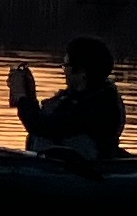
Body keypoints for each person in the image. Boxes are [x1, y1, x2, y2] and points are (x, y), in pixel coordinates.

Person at [8, 37, 129, 166]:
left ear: (82, 73)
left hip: (85, 170)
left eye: (67, 66)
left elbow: (43, 127)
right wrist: (30, 96)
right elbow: (44, 120)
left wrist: (22, 98)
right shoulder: (77, 96)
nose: (64, 72)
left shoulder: (98, 106)